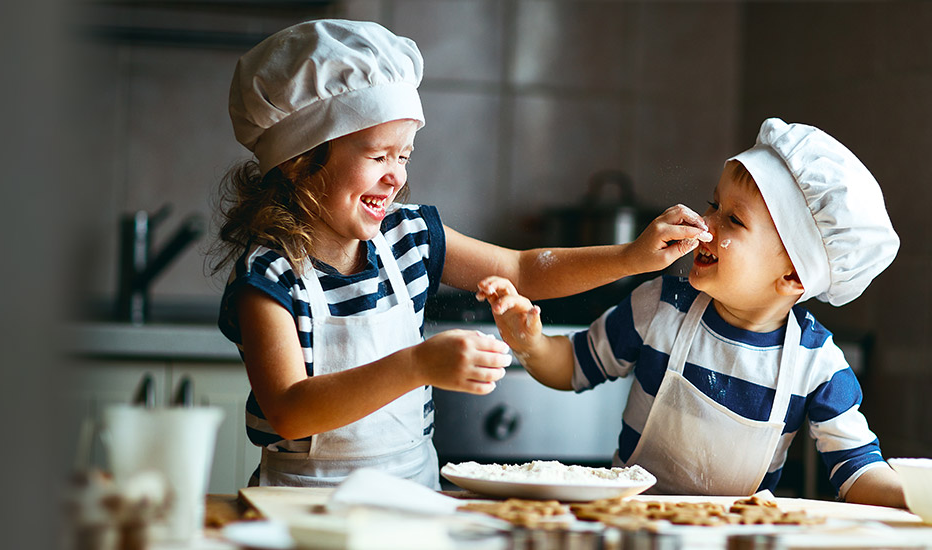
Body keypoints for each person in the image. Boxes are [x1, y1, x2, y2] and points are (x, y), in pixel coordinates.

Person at [213, 20, 711, 488]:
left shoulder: (410, 237)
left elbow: (523, 268)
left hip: (412, 500)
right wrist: (415, 366)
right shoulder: (269, 275)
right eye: (378, 155)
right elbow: (288, 409)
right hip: (300, 508)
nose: (397, 176)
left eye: (404, 155)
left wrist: (631, 258)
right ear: (301, 162)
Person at [476, 119, 908, 507]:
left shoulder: (818, 364)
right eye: (712, 204)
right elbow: (572, 366)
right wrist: (530, 343)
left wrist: (922, 497)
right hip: (629, 529)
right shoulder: (660, 306)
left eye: (733, 221)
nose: (705, 224)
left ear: (794, 275)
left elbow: (858, 471)